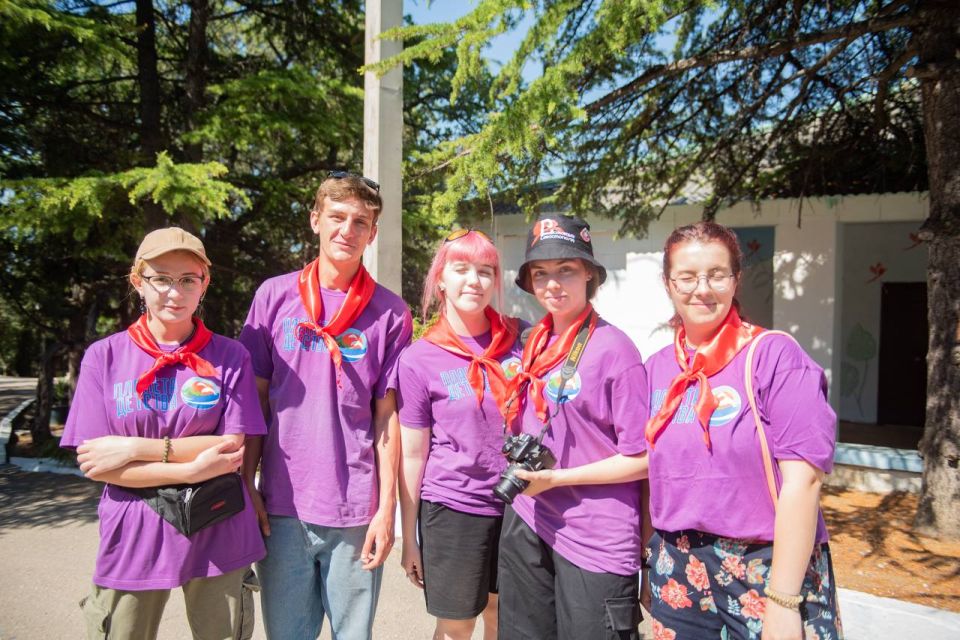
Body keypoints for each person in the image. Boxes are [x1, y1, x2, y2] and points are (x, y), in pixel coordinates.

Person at [62, 226, 267, 640]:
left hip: (218, 524)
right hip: (133, 529)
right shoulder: (104, 357)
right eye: (161, 279)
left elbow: (229, 447)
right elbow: (97, 464)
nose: (174, 292)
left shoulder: (231, 356)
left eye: (187, 279)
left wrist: (134, 448)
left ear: (204, 284)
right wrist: (189, 468)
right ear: (138, 281)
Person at [643, 221, 842, 640]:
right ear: (667, 283)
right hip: (676, 564)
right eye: (687, 276)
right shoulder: (657, 368)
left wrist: (784, 601)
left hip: (765, 565)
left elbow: (803, 483)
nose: (703, 288)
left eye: (717, 274)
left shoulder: (775, 357)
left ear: (736, 279)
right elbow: (648, 468)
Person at [239, 171, 413, 639]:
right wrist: (247, 484)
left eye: (360, 221)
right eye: (337, 217)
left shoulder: (392, 313)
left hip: (355, 510)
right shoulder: (273, 297)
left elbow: (387, 418)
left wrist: (386, 509)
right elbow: (253, 403)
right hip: (282, 505)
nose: (347, 230)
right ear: (315, 219)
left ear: (372, 233)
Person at [497, 214, 649, 640]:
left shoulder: (616, 350)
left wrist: (557, 479)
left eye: (566, 270)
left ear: (588, 275)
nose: (553, 283)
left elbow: (642, 459)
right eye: (541, 272)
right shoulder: (534, 342)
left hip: (595, 537)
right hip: (530, 517)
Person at [397, 229, 523, 640]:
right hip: (454, 507)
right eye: (462, 268)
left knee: (503, 615)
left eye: (485, 271)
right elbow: (413, 454)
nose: (474, 280)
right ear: (441, 280)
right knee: (456, 624)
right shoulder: (420, 358)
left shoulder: (523, 339)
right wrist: (410, 537)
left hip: (519, 505)